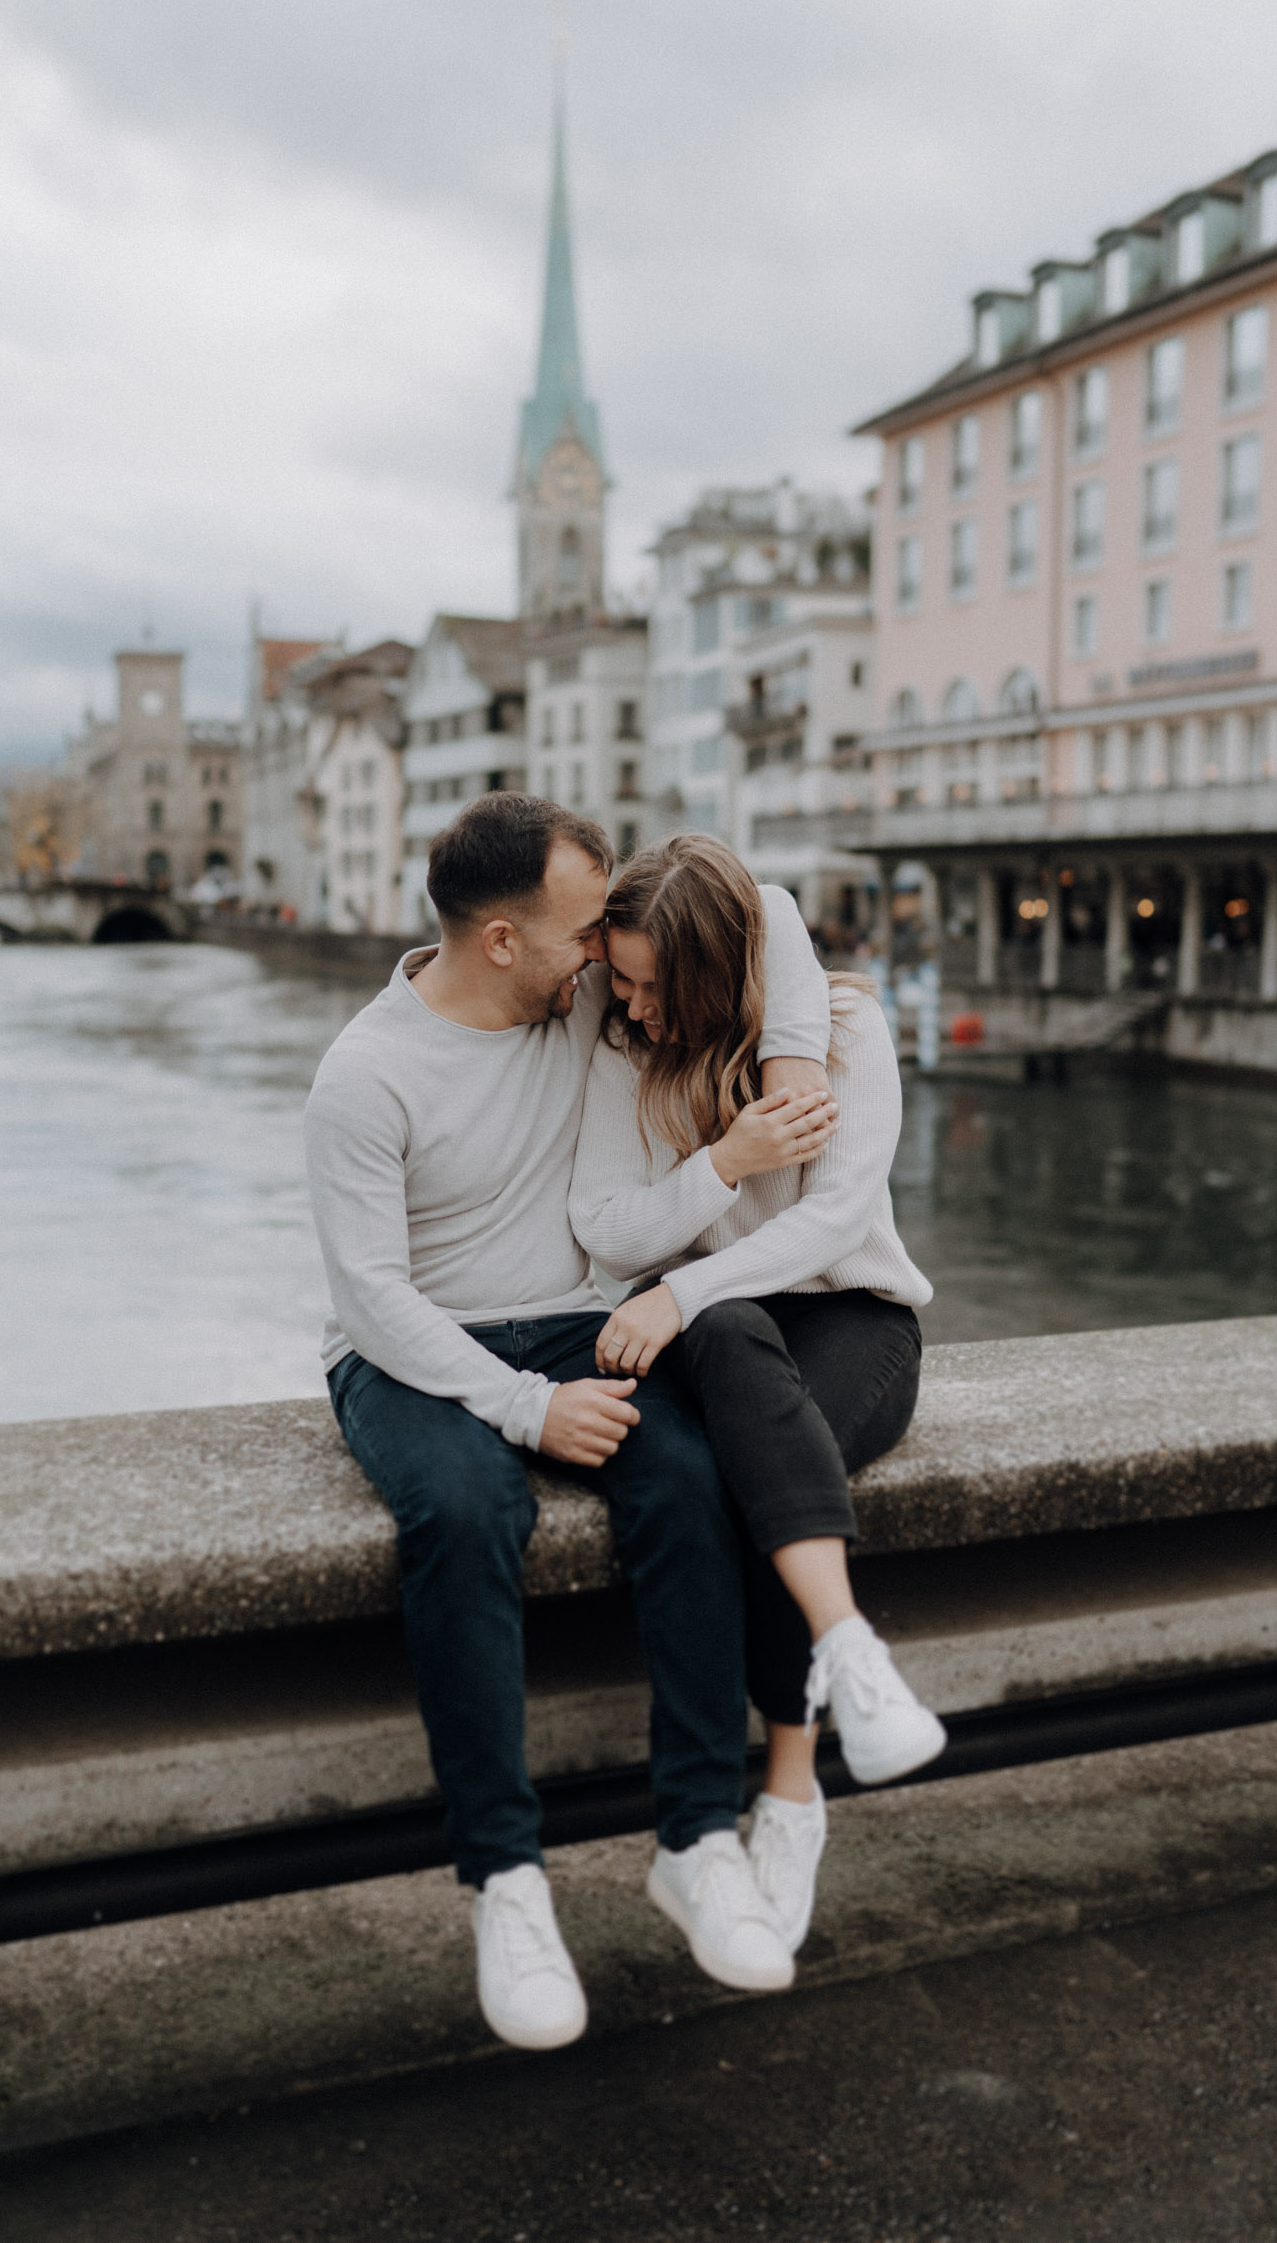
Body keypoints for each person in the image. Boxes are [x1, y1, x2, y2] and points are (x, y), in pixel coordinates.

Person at [304, 793, 831, 2053]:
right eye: (583, 929)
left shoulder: (584, 990)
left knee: (689, 1480)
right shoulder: (363, 1074)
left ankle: (698, 1841)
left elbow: (778, 916)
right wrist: (527, 1410)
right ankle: (506, 1882)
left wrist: (799, 1073)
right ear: (501, 940)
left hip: (566, 1321)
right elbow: (373, 1301)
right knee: (466, 1510)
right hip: (412, 1352)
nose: (605, 952)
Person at [568, 833, 945, 1957]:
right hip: (725, 1331)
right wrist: (723, 1165)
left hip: (852, 1317)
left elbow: (830, 1225)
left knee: (757, 1453)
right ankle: (840, 1678)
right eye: (619, 979)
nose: (627, 1008)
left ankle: (790, 1791)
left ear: (716, 975)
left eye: (647, 984)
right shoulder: (622, 1051)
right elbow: (604, 1224)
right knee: (735, 1348)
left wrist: (675, 1293)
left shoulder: (842, 1030)